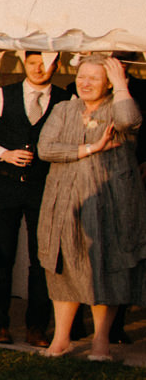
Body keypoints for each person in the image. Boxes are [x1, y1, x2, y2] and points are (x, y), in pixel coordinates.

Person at [37, 55, 145, 361]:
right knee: (64, 265)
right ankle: (61, 340)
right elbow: (46, 148)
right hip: (64, 199)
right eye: (81, 76)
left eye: (94, 78)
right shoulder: (63, 108)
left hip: (110, 200)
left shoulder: (120, 107)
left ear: (109, 83)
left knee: (105, 265)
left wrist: (122, 85)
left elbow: (129, 122)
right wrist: (91, 149)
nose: (85, 83)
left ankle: (100, 342)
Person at [0, 51, 72, 346]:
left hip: (45, 188)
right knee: (2, 256)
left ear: (57, 65)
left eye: (46, 62)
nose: (39, 68)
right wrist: (3, 153)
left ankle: (37, 327)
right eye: (33, 62)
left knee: (41, 258)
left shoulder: (65, 99)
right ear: (24, 63)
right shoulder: (2, 95)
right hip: (4, 185)